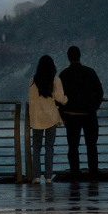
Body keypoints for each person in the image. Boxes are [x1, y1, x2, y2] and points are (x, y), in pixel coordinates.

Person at [58, 45, 104, 181]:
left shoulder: (64, 74)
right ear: (80, 56)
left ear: (68, 58)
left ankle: (75, 176)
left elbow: (60, 99)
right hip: (89, 115)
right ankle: (93, 175)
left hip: (71, 116)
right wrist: (94, 107)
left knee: (73, 148)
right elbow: (100, 92)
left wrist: (63, 115)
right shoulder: (90, 72)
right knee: (91, 147)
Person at [28, 54, 67, 183]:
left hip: (37, 118)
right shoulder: (55, 80)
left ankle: (36, 176)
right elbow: (60, 98)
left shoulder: (34, 81)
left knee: (37, 148)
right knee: (49, 147)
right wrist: (68, 100)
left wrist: (32, 118)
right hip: (51, 117)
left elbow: (31, 101)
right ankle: (49, 176)